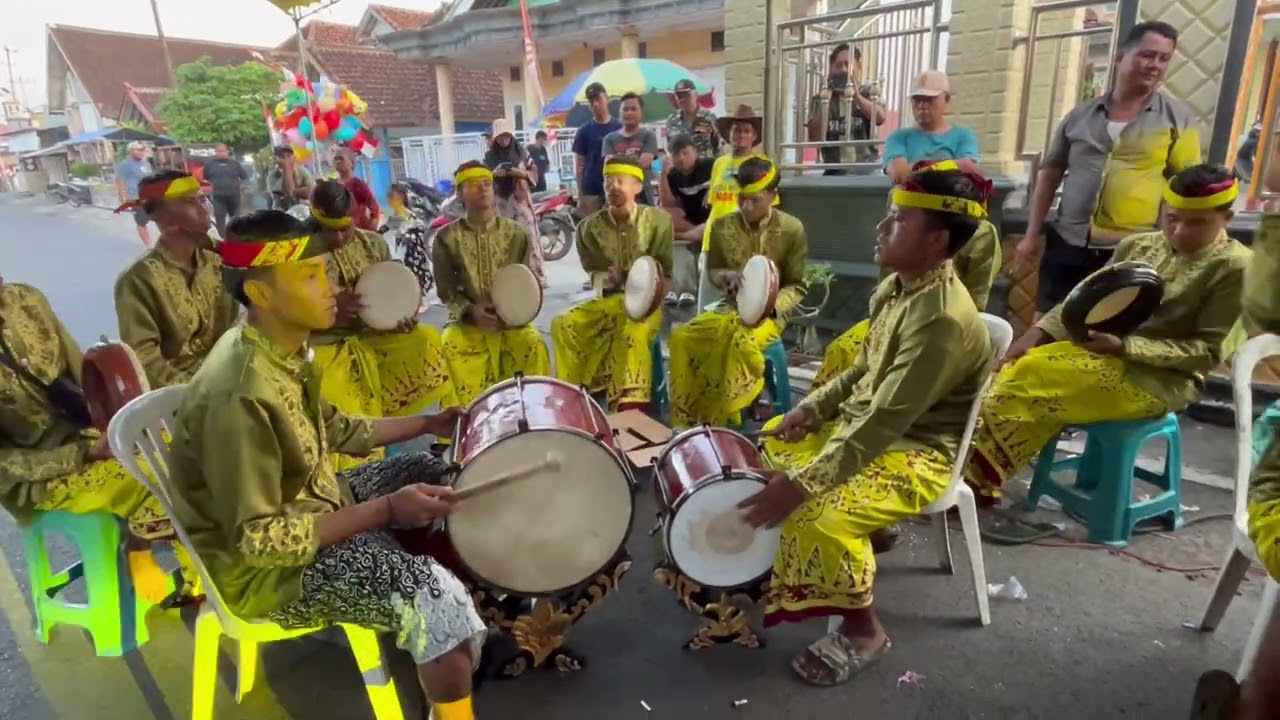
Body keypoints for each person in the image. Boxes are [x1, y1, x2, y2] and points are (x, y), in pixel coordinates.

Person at [165, 209, 485, 720]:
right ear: (261, 294)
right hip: (268, 575)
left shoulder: (284, 349)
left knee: (438, 469)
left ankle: (445, 626)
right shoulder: (240, 393)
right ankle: (450, 674)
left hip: (318, 502)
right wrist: (384, 512)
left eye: (326, 271)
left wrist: (428, 424)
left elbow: (340, 429)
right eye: (311, 276)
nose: (331, 286)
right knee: (434, 595)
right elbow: (262, 541)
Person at [737, 167, 991, 687]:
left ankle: (864, 630)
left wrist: (806, 484)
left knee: (813, 514)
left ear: (937, 240)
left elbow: (884, 420)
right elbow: (862, 370)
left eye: (898, 220)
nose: (881, 227)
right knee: (764, 459)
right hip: (873, 428)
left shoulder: (941, 317)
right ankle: (868, 535)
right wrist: (814, 408)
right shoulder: (900, 286)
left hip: (919, 448)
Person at [965, 164, 1249, 504]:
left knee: (1025, 381)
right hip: (1100, 354)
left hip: (1162, 378)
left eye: (1197, 222)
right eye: (1172, 219)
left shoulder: (1235, 267)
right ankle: (970, 474)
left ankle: (976, 483)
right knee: (1006, 371)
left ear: (1227, 218)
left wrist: (1124, 347)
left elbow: (1206, 352)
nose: (1179, 231)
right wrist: (1033, 336)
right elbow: (1080, 302)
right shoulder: (1139, 246)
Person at [0, 277, 185, 604]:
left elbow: (83, 373)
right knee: (163, 474)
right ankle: (140, 546)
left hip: (90, 434)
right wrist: (84, 453)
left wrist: (121, 419)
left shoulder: (25, 299)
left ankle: (195, 574)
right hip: (41, 476)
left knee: (195, 450)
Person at [1010, 20, 1200, 320]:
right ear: (1120, 57)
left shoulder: (1177, 119)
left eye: (1164, 59)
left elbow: (1183, 188)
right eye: (1147, 55)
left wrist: (1171, 245)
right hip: (1068, 240)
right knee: (1046, 323)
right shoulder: (1080, 116)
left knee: (1107, 332)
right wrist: (1032, 234)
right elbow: (1050, 173)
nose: (1155, 65)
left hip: (1131, 248)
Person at [307, 180, 456, 468]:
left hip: (375, 336)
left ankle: (396, 431)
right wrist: (330, 312)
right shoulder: (302, 252)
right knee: (334, 388)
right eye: (329, 229)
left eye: (345, 228)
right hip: (326, 342)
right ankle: (355, 464)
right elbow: (290, 313)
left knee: (426, 340)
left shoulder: (373, 243)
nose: (338, 237)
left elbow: (390, 295)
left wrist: (400, 318)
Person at [813, 160, 1001, 387]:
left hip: (934, 327)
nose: (882, 228)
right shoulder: (894, 253)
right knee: (843, 350)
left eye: (900, 217)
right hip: (894, 317)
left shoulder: (981, 235)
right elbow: (887, 286)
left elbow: (975, 300)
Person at [666, 157, 807, 427]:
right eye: (742, 199)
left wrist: (768, 305)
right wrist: (726, 277)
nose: (745, 206)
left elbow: (797, 285)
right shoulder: (722, 226)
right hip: (728, 308)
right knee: (682, 337)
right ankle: (686, 419)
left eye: (754, 200)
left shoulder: (791, 229)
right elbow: (714, 271)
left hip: (769, 317)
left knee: (738, 343)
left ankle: (727, 418)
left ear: (773, 196)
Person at [550, 157, 673, 412]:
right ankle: (580, 397)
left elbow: (665, 272)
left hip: (646, 305)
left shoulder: (659, 222)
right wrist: (607, 281)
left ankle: (630, 407)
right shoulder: (588, 229)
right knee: (562, 324)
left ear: (637, 187)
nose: (612, 187)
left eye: (619, 181)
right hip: (610, 300)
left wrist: (634, 282)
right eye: (608, 181)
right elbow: (593, 273)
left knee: (631, 330)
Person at [433, 161, 551, 405]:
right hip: (468, 323)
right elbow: (446, 290)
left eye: (487, 184)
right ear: (459, 194)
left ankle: (533, 414)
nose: (484, 190)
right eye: (474, 186)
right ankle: (466, 423)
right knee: (450, 343)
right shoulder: (446, 238)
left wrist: (514, 311)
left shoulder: (518, 234)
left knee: (532, 342)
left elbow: (524, 282)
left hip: (512, 322)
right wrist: (469, 311)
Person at [113, 171, 240, 388]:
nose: (206, 207)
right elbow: (143, 359)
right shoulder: (138, 280)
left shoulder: (219, 260)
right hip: (180, 396)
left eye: (204, 199)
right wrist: (198, 390)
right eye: (194, 201)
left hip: (233, 375)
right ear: (162, 216)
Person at [882, 72, 980, 184]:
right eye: (917, 99)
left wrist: (914, 168)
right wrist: (951, 166)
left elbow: (968, 171)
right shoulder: (898, 137)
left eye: (929, 99)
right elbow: (899, 174)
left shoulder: (964, 136)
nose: (922, 105)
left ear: (946, 99)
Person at [806, 43, 885, 175]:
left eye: (848, 64)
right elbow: (814, 138)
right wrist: (826, 102)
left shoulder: (869, 93)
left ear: (858, 67)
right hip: (834, 171)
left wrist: (857, 97)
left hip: (867, 170)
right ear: (830, 69)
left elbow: (880, 118)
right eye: (838, 65)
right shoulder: (820, 98)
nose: (843, 69)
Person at [484, 119, 546, 287]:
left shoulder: (521, 153)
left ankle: (536, 277)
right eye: (500, 136)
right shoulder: (490, 156)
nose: (503, 139)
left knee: (529, 238)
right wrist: (494, 174)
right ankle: (510, 279)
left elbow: (533, 172)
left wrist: (521, 173)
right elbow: (484, 178)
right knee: (504, 240)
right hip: (501, 204)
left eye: (506, 135)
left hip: (520, 201)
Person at [659, 135, 716, 306]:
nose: (681, 158)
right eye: (676, 155)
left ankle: (686, 236)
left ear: (695, 152)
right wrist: (663, 174)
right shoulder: (674, 174)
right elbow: (668, 204)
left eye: (685, 153)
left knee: (714, 224)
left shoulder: (710, 165)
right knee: (662, 214)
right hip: (691, 222)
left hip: (712, 218)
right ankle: (695, 235)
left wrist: (714, 187)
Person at [572, 82, 622, 217]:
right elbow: (579, 166)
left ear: (607, 99)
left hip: (616, 189)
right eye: (591, 101)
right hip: (591, 191)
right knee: (594, 233)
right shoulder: (584, 131)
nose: (595, 104)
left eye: (598, 99)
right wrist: (581, 196)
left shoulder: (620, 128)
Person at [603, 93, 660, 205]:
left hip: (643, 198)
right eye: (625, 109)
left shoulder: (649, 136)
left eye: (633, 109)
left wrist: (619, 159)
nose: (629, 112)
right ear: (619, 112)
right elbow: (609, 165)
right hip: (616, 198)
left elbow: (644, 162)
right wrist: (633, 159)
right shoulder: (609, 139)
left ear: (641, 112)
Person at [665, 77, 720, 159]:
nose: (682, 99)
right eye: (679, 96)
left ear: (696, 95)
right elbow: (670, 148)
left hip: (705, 167)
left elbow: (718, 146)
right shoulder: (672, 120)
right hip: (681, 167)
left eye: (686, 95)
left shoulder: (709, 117)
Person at [115, 141, 156, 249]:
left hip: (150, 196)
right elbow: (120, 182)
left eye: (143, 150)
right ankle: (149, 245)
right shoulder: (125, 165)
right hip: (136, 198)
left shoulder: (146, 163)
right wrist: (123, 199)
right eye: (139, 149)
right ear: (131, 151)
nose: (142, 152)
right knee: (142, 221)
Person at [202, 144, 248, 236]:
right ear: (215, 152)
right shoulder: (209, 164)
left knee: (236, 218)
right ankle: (223, 238)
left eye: (223, 151)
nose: (221, 153)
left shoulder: (235, 164)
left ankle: (237, 237)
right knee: (219, 218)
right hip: (218, 196)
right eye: (219, 151)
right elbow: (206, 177)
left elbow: (244, 176)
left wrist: (242, 186)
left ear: (228, 151)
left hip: (234, 195)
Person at [331, 147, 380, 231]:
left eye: (340, 159)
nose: (337, 162)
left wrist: (371, 232)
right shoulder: (332, 185)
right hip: (340, 232)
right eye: (335, 159)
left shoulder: (358, 185)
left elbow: (375, 211)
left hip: (358, 232)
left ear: (352, 163)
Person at [267, 145, 316, 211]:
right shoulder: (272, 176)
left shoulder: (302, 171)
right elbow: (288, 192)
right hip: (282, 212)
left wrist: (294, 191)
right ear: (276, 160)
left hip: (303, 209)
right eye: (282, 157)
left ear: (294, 158)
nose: (286, 159)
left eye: (288, 156)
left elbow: (313, 192)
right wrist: (286, 167)